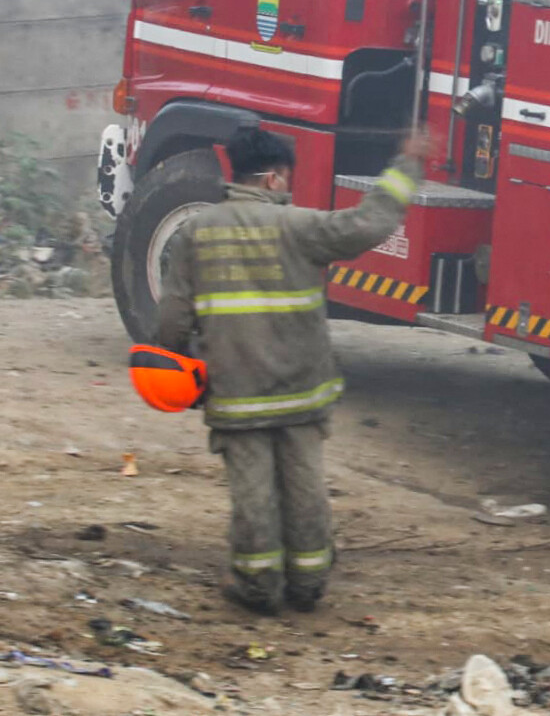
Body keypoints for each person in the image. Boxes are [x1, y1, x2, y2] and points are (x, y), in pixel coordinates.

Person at [155, 126, 433, 615]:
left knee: (253, 492)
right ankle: (307, 585)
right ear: (274, 179)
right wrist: (407, 165)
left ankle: (258, 586)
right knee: (304, 487)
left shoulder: (196, 233)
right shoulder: (301, 228)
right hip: (301, 390)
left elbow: (174, 318)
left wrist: (170, 367)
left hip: (237, 393)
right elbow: (369, 223)